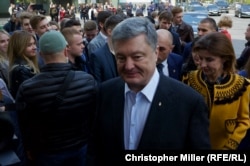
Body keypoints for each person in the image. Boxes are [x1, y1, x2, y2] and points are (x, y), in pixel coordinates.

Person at [87, 17, 210, 165]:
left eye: (137, 57)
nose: (128, 66)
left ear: (156, 52)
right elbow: (95, 149)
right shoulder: (105, 93)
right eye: (121, 58)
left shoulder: (189, 103)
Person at [15, 30, 97, 166]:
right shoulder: (87, 80)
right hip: (81, 147)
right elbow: (94, 116)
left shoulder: (27, 88)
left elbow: (24, 124)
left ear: (40, 55)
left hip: (47, 153)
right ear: (66, 51)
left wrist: (29, 148)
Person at [182, 32, 250, 150]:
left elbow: (244, 121)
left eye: (209, 59)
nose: (203, 64)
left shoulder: (242, 86)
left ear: (225, 58)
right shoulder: (188, 79)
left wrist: (229, 147)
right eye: (200, 58)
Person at [89, 15, 123, 83]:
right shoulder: (97, 56)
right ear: (110, 31)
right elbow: (98, 85)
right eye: (121, 30)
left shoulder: (127, 54)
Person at [8, 30, 39, 99]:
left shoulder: (28, 65)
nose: (34, 47)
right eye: (29, 45)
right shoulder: (21, 70)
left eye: (34, 43)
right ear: (19, 47)